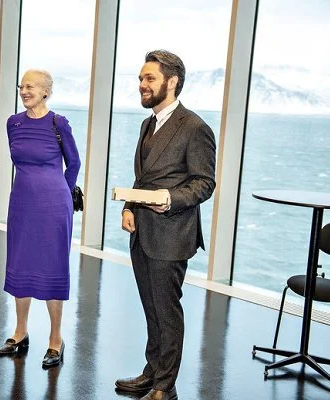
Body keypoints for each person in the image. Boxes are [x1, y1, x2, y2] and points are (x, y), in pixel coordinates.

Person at [115, 50, 216, 400]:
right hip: (142, 233)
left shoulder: (195, 127)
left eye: (149, 79)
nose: (141, 85)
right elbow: (143, 177)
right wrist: (130, 205)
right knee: (151, 308)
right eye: (141, 78)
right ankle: (151, 372)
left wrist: (169, 199)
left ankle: (164, 387)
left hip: (172, 236)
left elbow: (204, 183)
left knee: (167, 311)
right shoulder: (148, 123)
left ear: (171, 82)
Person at [0, 69, 81, 368]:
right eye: (21, 86)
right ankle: (20, 333)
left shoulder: (59, 124)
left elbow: (74, 163)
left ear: (46, 91)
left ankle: (55, 338)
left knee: (52, 265)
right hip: (21, 202)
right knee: (19, 263)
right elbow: (18, 160)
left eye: (30, 86)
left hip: (53, 206)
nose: (24, 91)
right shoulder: (14, 123)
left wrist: (61, 193)